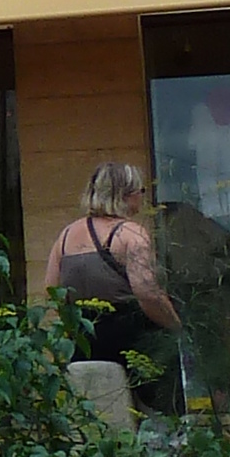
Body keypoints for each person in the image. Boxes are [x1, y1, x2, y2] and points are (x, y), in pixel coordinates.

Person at [44, 159, 181, 380]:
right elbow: (147, 294)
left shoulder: (66, 235)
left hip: (84, 342)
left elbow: (53, 291)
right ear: (126, 195)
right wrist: (176, 326)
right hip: (131, 341)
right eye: (141, 190)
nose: (143, 197)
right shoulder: (131, 234)